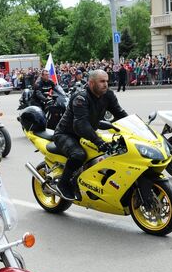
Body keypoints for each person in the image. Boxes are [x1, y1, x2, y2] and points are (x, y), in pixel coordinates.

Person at [53, 69, 128, 200]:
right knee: (78, 155)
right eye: (102, 81)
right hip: (67, 134)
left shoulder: (108, 95)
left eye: (107, 81)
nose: (105, 84)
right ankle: (63, 184)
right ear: (92, 83)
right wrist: (99, 141)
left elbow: (120, 114)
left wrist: (136, 128)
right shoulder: (81, 97)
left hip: (87, 133)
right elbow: (81, 124)